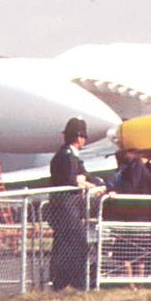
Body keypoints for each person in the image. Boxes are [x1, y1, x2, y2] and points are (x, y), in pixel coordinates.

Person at [47, 117, 104, 290]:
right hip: (65, 208)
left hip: (68, 208)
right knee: (77, 243)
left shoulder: (71, 156)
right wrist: (87, 184)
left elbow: (83, 174)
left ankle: (61, 282)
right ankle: (71, 281)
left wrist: (95, 183)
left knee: (65, 245)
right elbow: (71, 180)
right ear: (79, 137)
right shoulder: (66, 156)